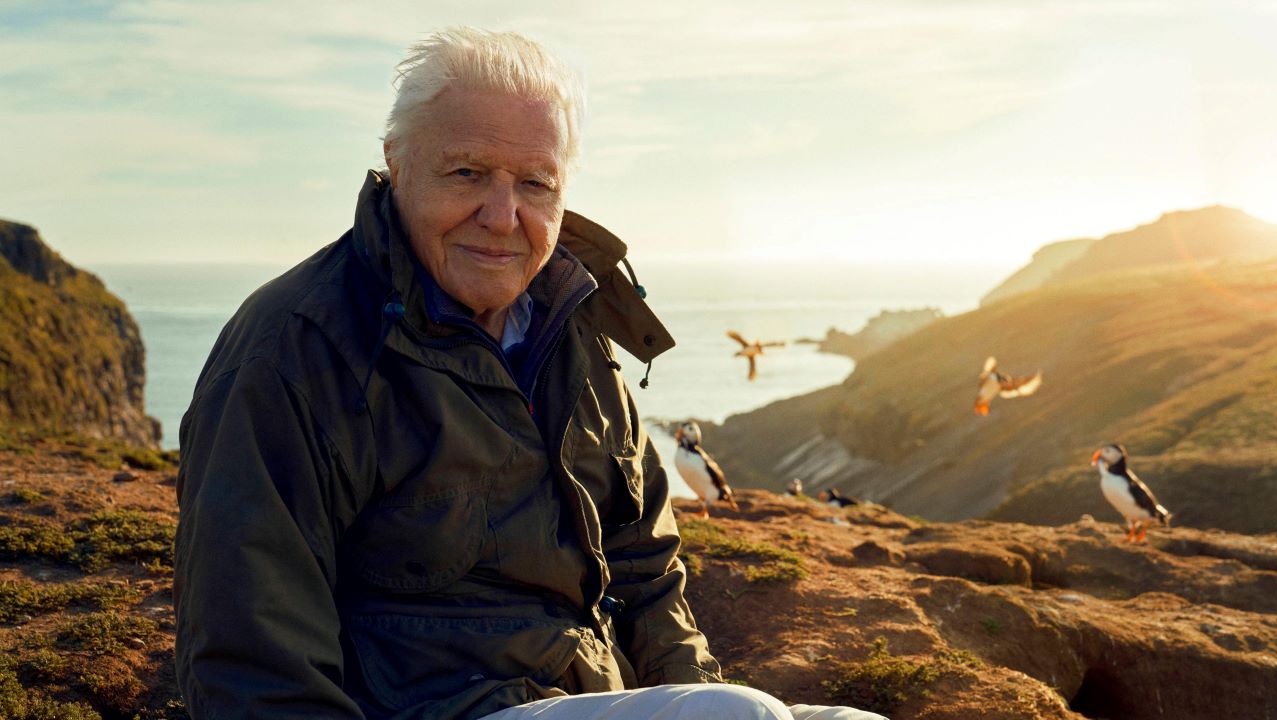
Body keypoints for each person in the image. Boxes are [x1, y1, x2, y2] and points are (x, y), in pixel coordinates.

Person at [174, 27, 884, 720]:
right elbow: (250, 657)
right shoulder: (294, 352)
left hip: (591, 692)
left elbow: (646, 568)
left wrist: (683, 688)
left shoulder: (578, 330)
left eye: (535, 184)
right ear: (397, 162)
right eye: (467, 173)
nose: (502, 215)